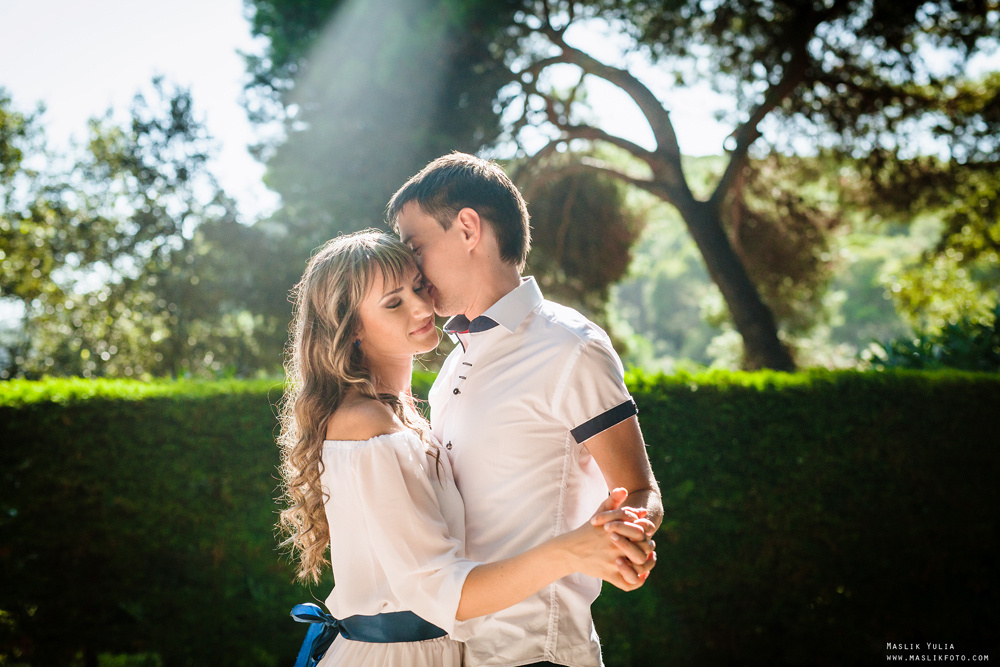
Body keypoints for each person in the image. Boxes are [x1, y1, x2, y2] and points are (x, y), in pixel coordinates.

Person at [277, 231, 655, 667]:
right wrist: (574, 549)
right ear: (352, 328)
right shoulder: (366, 425)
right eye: (393, 302)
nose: (422, 307)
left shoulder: (408, 411)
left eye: (418, 287)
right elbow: (438, 589)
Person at [387, 152, 664, 667]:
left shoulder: (571, 346)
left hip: (538, 652)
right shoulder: (451, 367)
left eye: (415, 246)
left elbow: (642, 489)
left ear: (468, 228)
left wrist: (628, 530)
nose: (410, 269)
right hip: (452, 652)